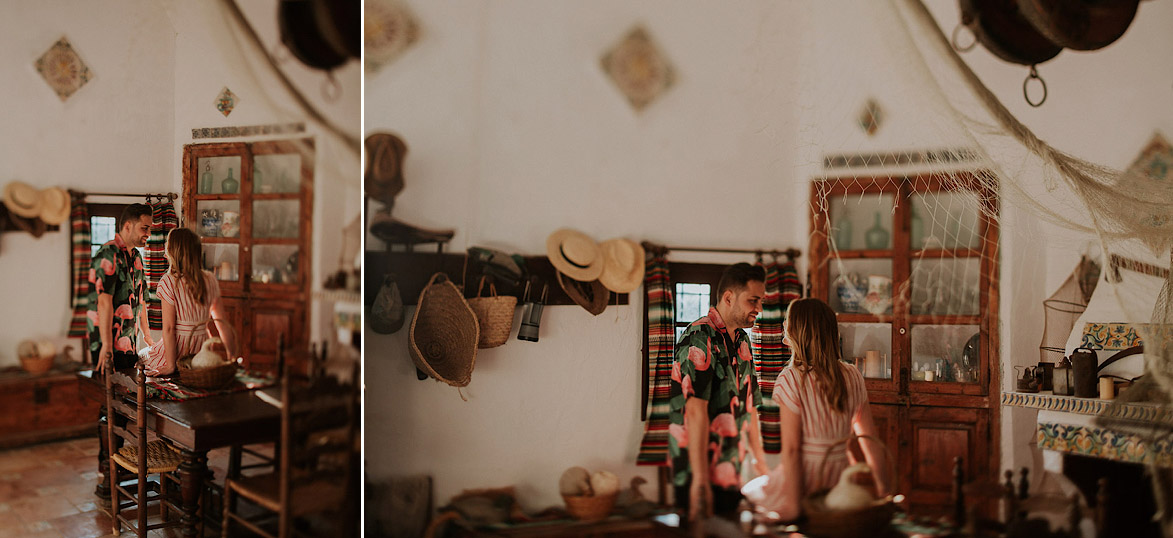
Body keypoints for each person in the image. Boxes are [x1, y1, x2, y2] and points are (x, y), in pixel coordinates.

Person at [756, 297, 889, 520]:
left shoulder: (790, 379)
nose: (783, 325)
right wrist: (884, 490)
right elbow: (868, 438)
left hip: (808, 478)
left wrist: (792, 504)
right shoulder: (852, 375)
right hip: (842, 479)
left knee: (752, 498)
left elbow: (791, 450)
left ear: (798, 331)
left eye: (788, 320)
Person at [667, 262, 770, 522]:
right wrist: (700, 482)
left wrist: (760, 463)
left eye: (761, 301)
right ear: (728, 298)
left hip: (732, 470)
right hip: (698, 473)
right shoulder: (699, 336)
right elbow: (695, 411)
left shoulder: (743, 340)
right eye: (753, 300)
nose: (759, 308)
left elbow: (751, 404)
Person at [140, 227, 236, 376]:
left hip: (179, 349)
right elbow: (221, 322)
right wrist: (232, 357)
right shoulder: (210, 279)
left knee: (142, 357)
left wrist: (171, 365)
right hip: (202, 349)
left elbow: (170, 329)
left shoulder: (169, 281)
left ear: (173, 251)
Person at [88, 203, 154, 372]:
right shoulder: (108, 254)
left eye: (149, 229)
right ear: (127, 226)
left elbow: (141, 299)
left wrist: (147, 336)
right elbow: (103, 303)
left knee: (129, 394)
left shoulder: (137, 257)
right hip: (109, 345)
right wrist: (107, 346)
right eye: (144, 228)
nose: (148, 234)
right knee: (109, 394)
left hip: (130, 343)